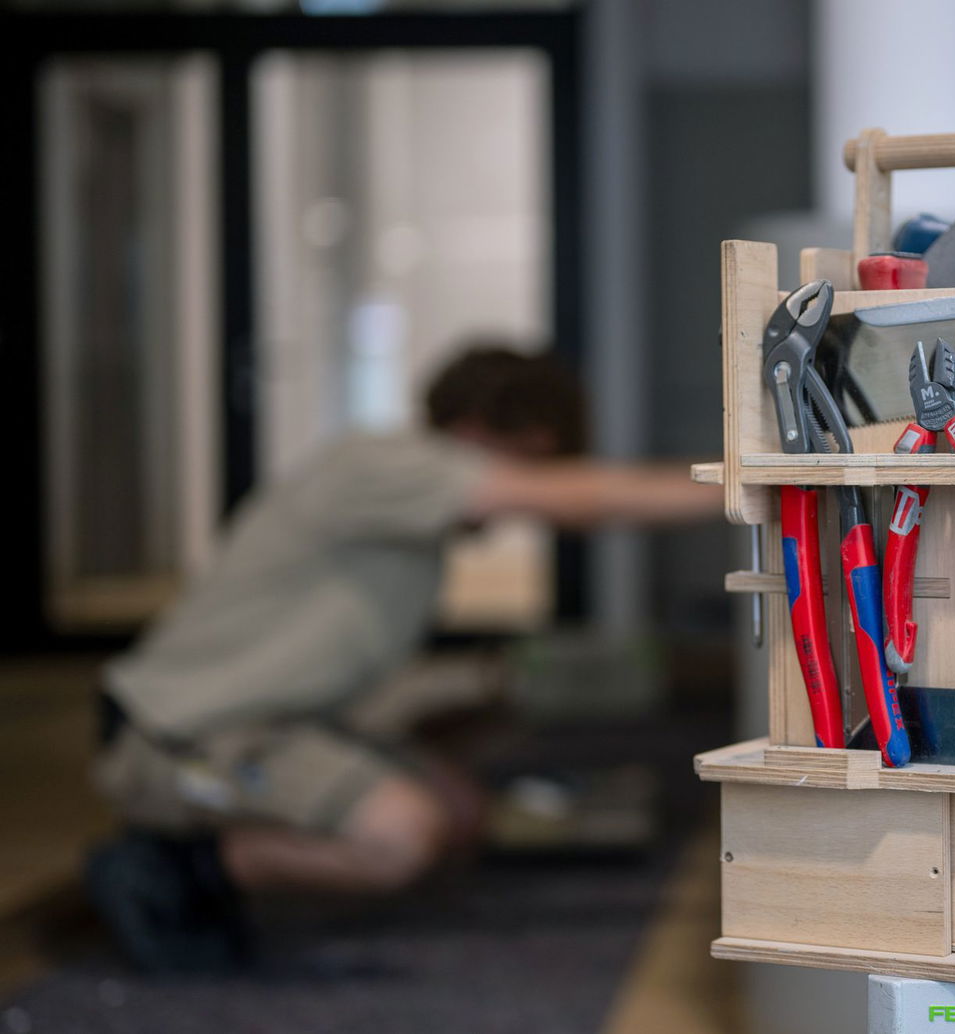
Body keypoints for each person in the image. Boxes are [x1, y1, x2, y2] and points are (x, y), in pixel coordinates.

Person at [85, 344, 722, 973]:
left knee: (460, 812)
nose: (528, 494)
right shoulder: (386, 463)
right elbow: (579, 499)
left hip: (279, 722)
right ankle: (173, 868)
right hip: (176, 732)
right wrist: (749, 479)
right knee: (402, 835)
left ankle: (221, 853)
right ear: (476, 431)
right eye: (532, 463)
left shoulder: (412, 525)